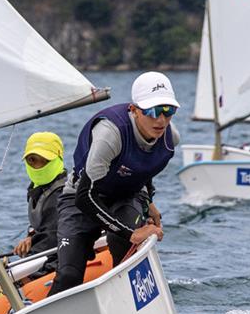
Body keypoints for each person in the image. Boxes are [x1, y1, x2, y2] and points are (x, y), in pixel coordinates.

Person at [47, 71, 181, 296]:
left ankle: (127, 303)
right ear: (134, 110)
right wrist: (131, 233)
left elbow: (144, 167)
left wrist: (148, 202)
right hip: (84, 198)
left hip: (125, 196)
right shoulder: (110, 135)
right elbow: (84, 196)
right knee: (69, 274)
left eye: (169, 111)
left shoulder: (170, 139)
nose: (161, 120)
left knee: (124, 248)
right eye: (153, 111)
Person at [12, 132, 67, 277]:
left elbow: (52, 237)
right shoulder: (37, 190)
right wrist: (31, 237)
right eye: (32, 160)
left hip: (61, 260)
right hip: (47, 254)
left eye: (44, 160)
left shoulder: (60, 194)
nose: (37, 166)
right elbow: (44, 229)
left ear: (58, 158)